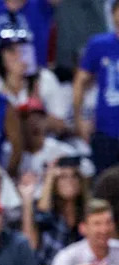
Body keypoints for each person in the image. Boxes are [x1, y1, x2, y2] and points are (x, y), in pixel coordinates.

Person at [74, 1, 119, 174]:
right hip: (105, 131)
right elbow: (80, 81)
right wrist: (79, 119)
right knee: (103, 188)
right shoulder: (98, 44)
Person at [24, 157, 86, 265]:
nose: (70, 180)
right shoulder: (49, 215)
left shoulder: (86, 214)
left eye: (74, 176)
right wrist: (50, 176)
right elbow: (42, 214)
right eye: (63, 177)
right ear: (54, 182)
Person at [49, 199, 119, 265]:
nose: (104, 229)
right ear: (83, 228)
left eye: (108, 222)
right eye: (97, 224)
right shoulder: (69, 255)